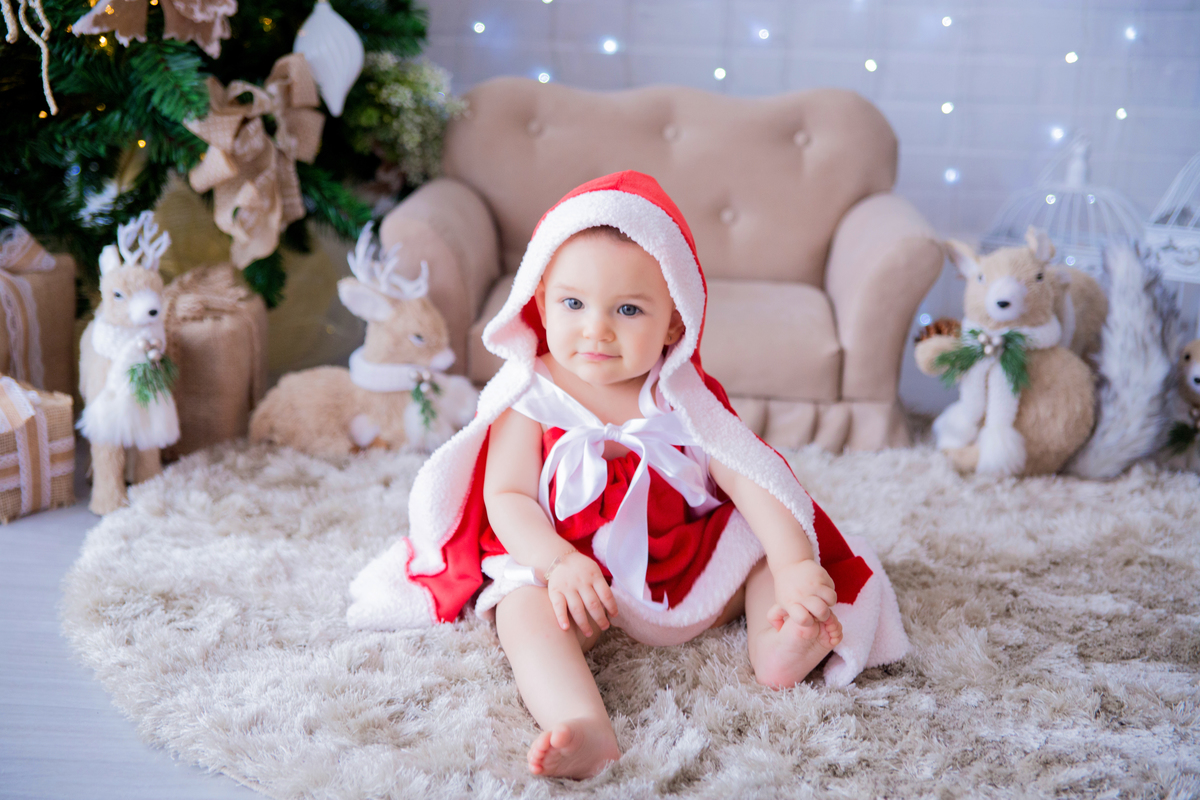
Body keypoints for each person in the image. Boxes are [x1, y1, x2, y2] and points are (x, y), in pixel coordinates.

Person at [347, 171, 909, 779]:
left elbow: (752, 475)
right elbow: (506, 496)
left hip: (687, 556)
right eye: (572, 304)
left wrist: (796, 561)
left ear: (673, 324)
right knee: (521, 611)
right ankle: (583, 723)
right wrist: (556, 562)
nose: (596, 328)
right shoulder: (530, 395)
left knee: (760, 552)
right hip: (575, 574)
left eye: (629, 309)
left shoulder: (681, 395)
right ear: (538, 304)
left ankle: (784, 645)